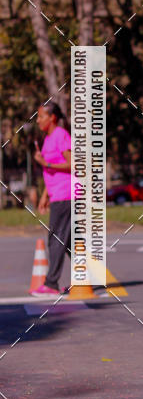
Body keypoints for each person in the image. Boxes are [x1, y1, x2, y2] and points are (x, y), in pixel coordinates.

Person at [32, 102, 72, 295]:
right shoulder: (48, 139)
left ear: (52, 118)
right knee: (69, 241)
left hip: (66, 193)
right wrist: (44, 195)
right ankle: (86, 278)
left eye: (41, 116)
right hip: (56, 193)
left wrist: (44, 162)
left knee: (56, 238)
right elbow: (50, 170)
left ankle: (51, 283)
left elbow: (73, 164)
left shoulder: (61, 135)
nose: (38, 120)